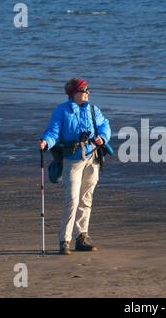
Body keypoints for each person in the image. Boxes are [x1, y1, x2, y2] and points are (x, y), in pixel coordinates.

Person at [39, 78, 111, 255]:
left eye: (88, 90)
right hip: (72, 160)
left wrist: (103, 136)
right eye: (84, 90)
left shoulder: (94, 109)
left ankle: (82, 238)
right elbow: (53, 132)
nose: (87, 93)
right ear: (74, 93)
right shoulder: (61, 111)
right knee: (71, 199)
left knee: (86, 198)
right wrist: (45, 142)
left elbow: (105, 125)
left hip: (92, 158)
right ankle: (65, 240)